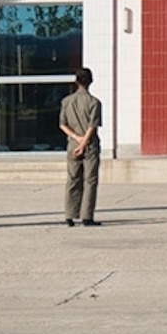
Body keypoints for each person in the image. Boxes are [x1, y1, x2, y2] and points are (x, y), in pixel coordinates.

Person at [59, 64, 103, 226]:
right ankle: (87, 216)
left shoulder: (66, 101)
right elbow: (93, 126)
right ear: (91, 81)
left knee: (72, 179)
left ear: (76, 81)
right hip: (90, 145)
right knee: (90, 180)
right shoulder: (94, 102)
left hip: (72, 144)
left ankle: (69, 215)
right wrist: (84, 143)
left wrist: (76, 139)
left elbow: (62, 124)